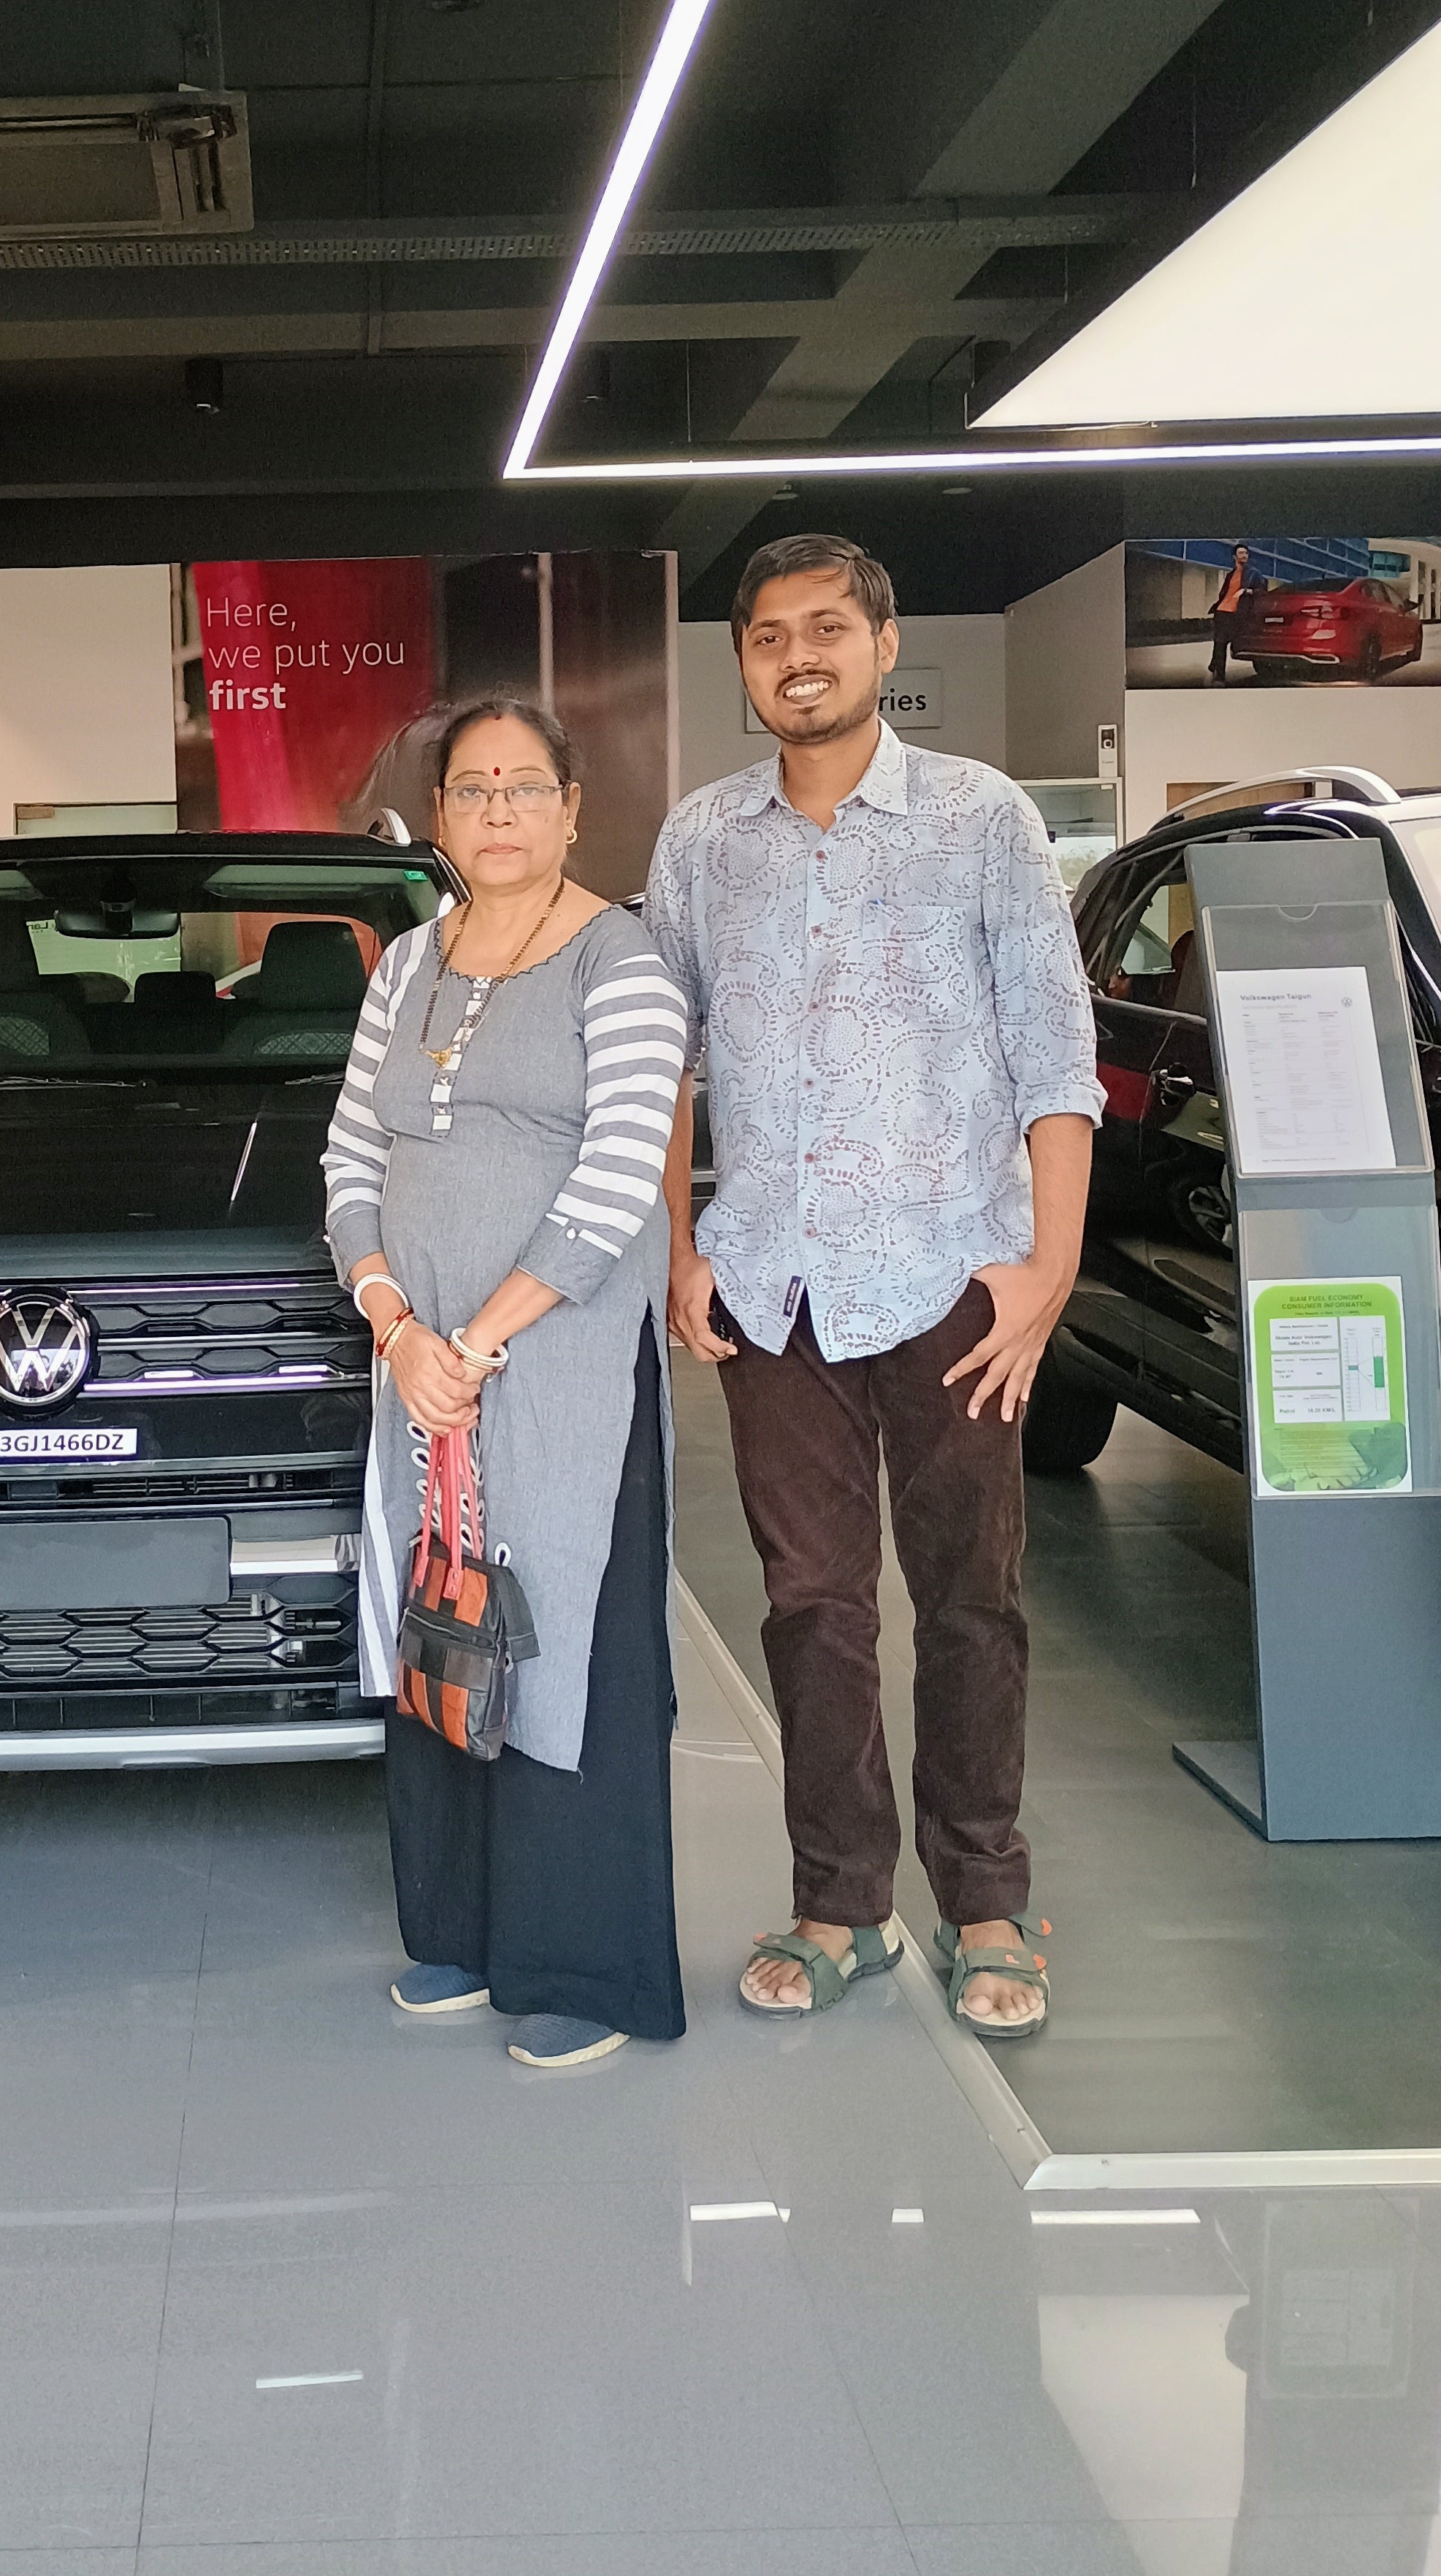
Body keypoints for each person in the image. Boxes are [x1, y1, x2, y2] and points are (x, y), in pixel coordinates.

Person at [644, 534, 1102, 2039]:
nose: (799, 656)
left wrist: (1046, 1270)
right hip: (775, 1286)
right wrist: (682, 1247)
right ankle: (840, 1898)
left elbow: (1054, 1054)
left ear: (883, 640)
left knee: (973, 1597)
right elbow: (668, 1064)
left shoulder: (982, 818)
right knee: (812, 1605)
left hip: (957, 1275)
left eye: (827, 627)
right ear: (743, 664)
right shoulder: (702, 840)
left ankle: (988, 1893)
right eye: (769, 635)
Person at [322, 697, 689, 2069]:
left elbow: (615, 1181)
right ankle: (464, 1935)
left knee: (569, 1644)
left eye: (522, 786)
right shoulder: (407, 959)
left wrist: (477, 1340)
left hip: (560, 1372)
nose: (493, 810)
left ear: (571, 807)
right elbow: (348, 1156)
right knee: (442, 1626)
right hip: (418, 1374)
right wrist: (394, 1324)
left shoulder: (624, 960)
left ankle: (583, 1968)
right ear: (439, 814)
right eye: (469, 787)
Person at [1207, 545, 1253, 681]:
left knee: (1225, 642)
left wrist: (1245, 591)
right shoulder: (1231, 574)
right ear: (1235, 557)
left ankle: (1214, 664)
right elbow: (1224, 593)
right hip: (1222, 612)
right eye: (1241, 553)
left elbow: (1262, 590)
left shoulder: (1253, 573)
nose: (1245, 555)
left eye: (1246, 553)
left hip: (1237, 613)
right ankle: (1219, 676)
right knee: (1220, 642)